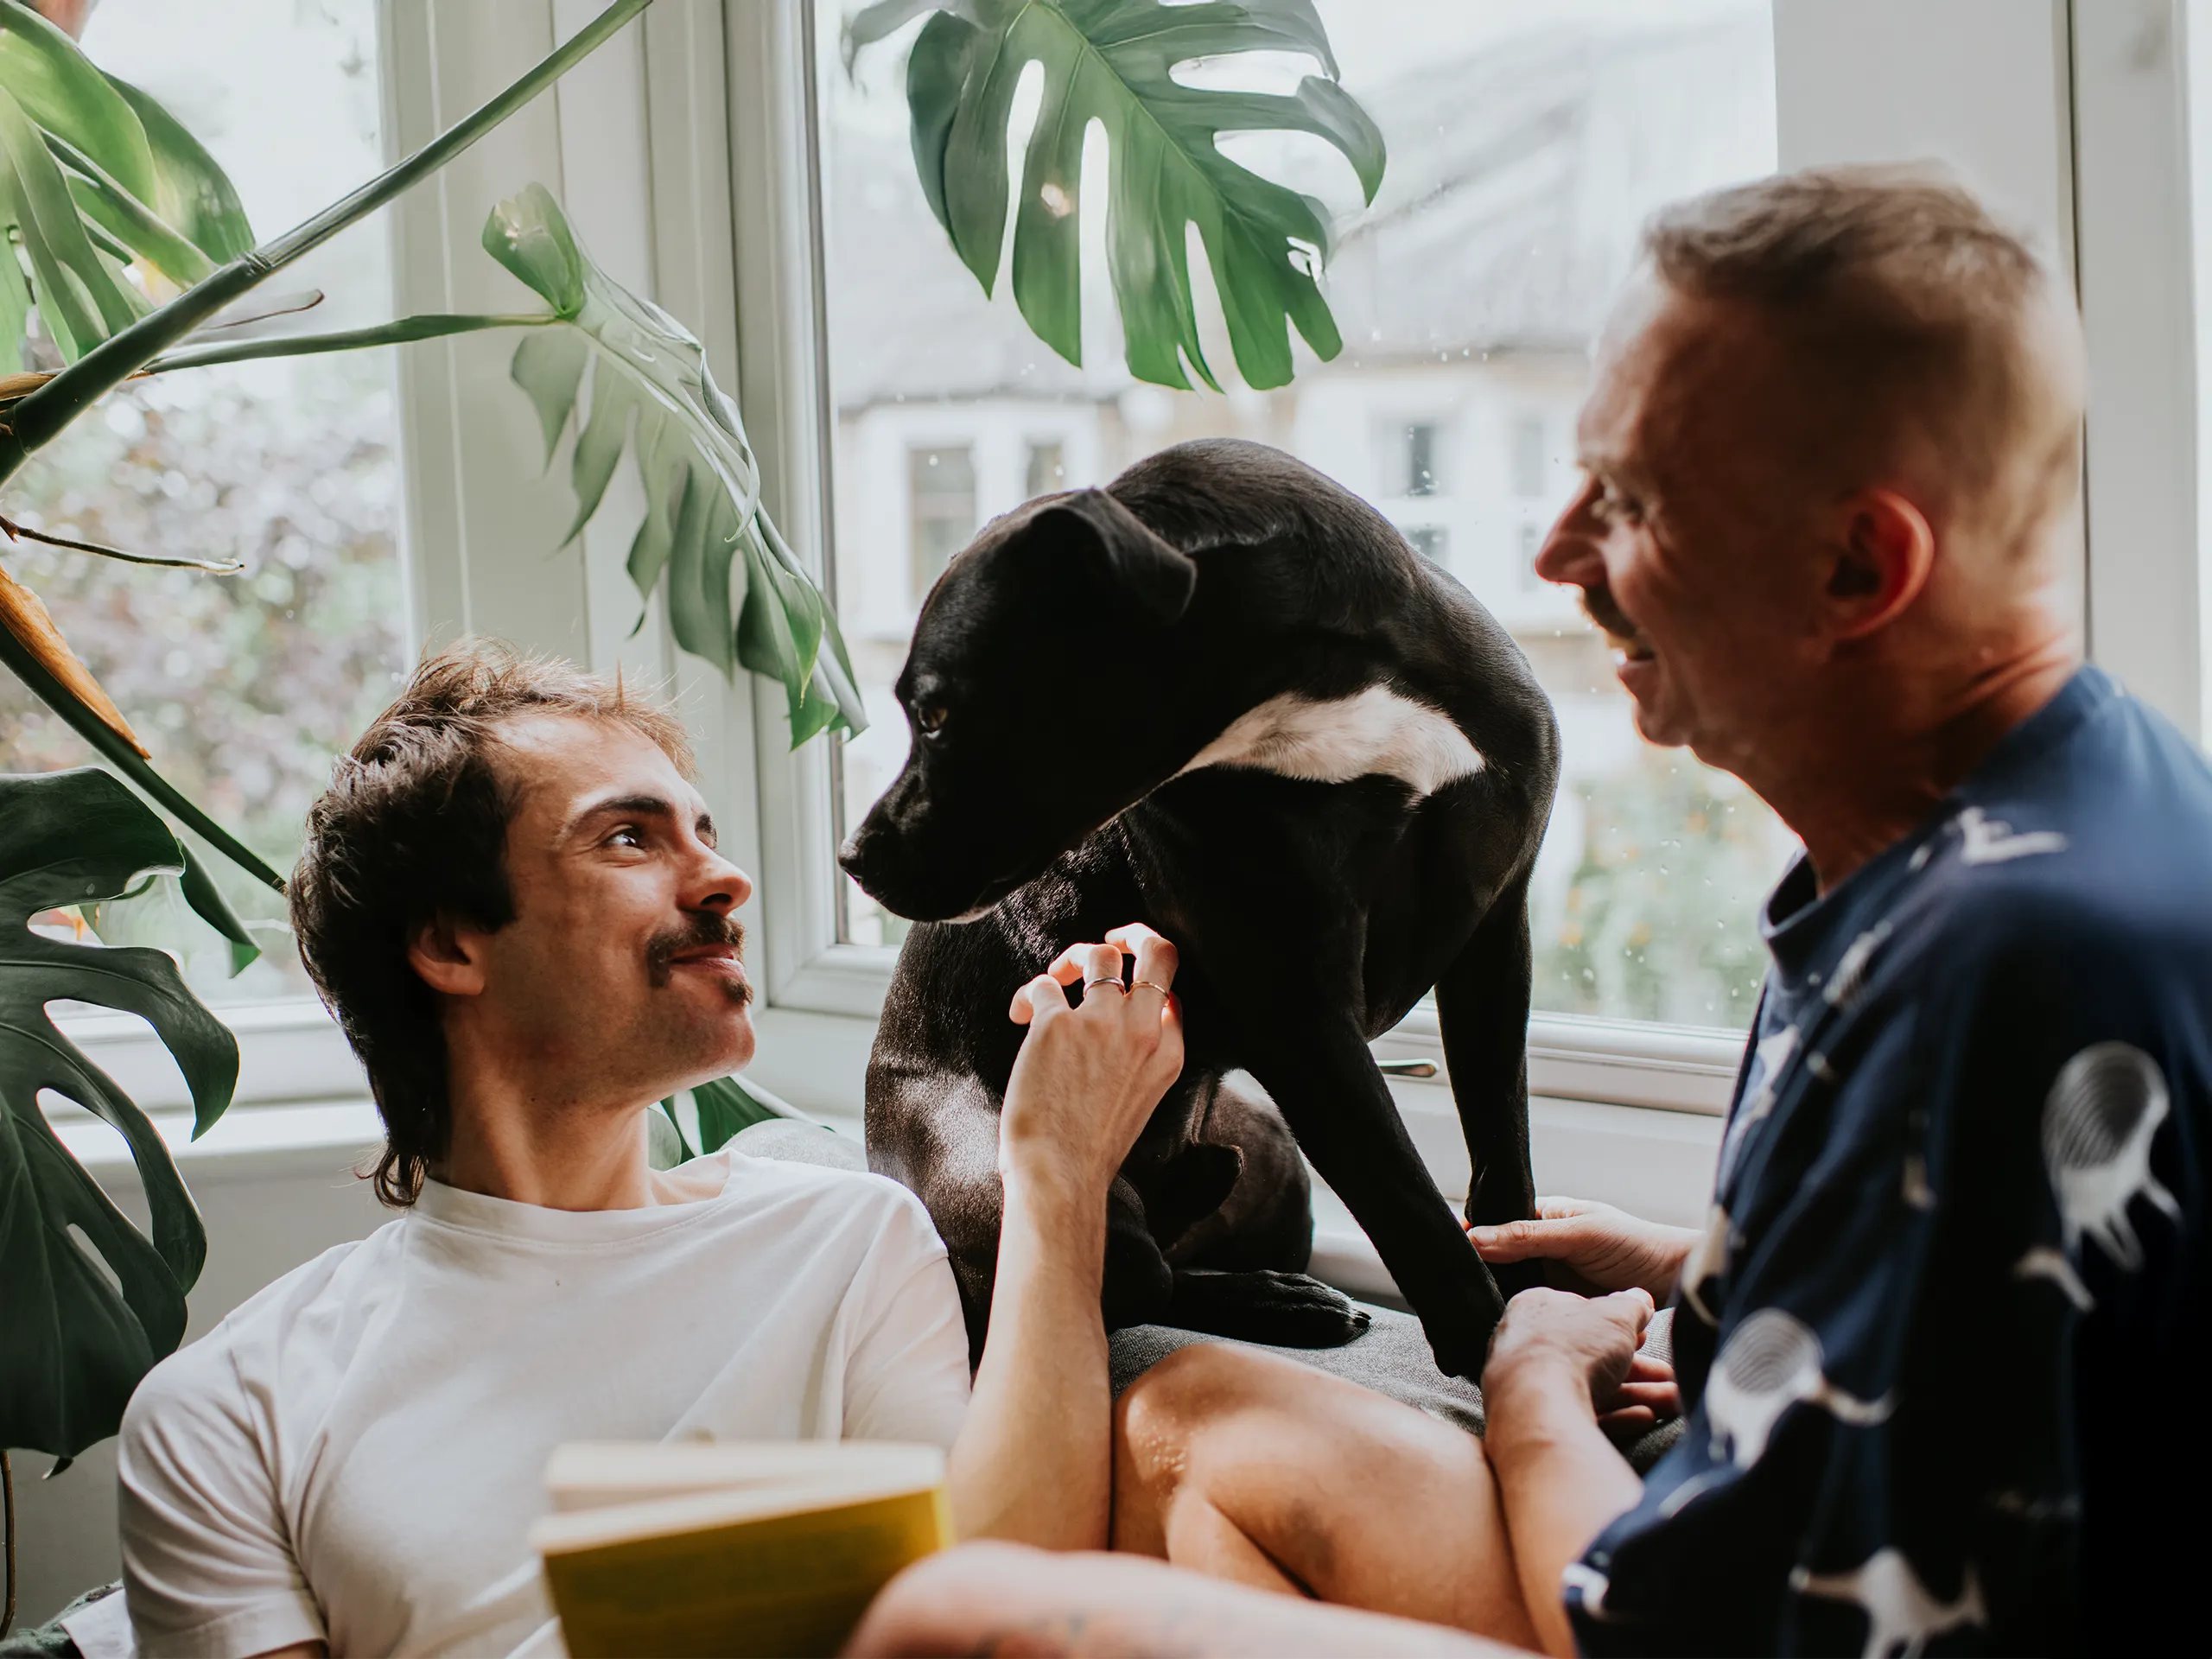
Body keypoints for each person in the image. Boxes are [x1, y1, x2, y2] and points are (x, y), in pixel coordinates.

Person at [844, 168, 2212, 1657]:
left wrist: (1530, 1387)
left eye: (1626, 502)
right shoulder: (2028, 824)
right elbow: (2000, 1329)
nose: (1556, 555)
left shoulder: (1994, 973)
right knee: (1189, 1435)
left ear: (1859, 566)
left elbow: (1661, 1630)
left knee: (956, 1617)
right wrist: (1714, 1282)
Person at [111, 644, 1187, 1659]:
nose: (725, 880)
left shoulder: (845, 1242)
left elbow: (998, 1612)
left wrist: (1054, 1170)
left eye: (704, 830)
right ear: (449, 943)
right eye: (629, 837)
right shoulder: (227, 1409)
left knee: (1223, 1420)